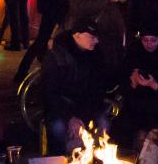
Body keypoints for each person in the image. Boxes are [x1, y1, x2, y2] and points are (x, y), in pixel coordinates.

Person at [113, 6, 158, 148]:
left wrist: (154, 85)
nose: (149, 44)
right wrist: (132, 83)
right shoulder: (134, 53)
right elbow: (121, 84)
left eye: (153, 40)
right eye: (145, 40)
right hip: (136, 105)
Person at [40, 18, 114, 154]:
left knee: (104, 123)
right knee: (58, 128)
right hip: (62, 109)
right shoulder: (57, 56)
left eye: (97, 37)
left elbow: (99, 88)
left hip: (87, 107)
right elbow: (49, 93)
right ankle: (63, 160)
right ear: (77, 35)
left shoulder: (96, 54)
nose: (96, 41)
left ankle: (96, 159)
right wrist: (70, 118)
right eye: (92, 37)